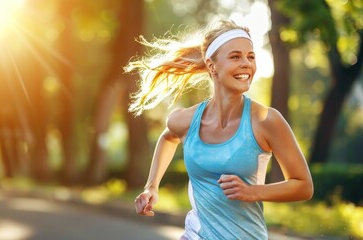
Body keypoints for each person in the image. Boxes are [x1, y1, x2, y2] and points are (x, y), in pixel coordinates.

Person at [126, 20, 314, 239]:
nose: (246, 64)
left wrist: (252, 192)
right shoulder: (187, 120)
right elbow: (168, 137)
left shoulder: (266, 120)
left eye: (250, 56)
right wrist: (152, 187)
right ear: (212, 65)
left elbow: (304, 186)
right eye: (235, 56)